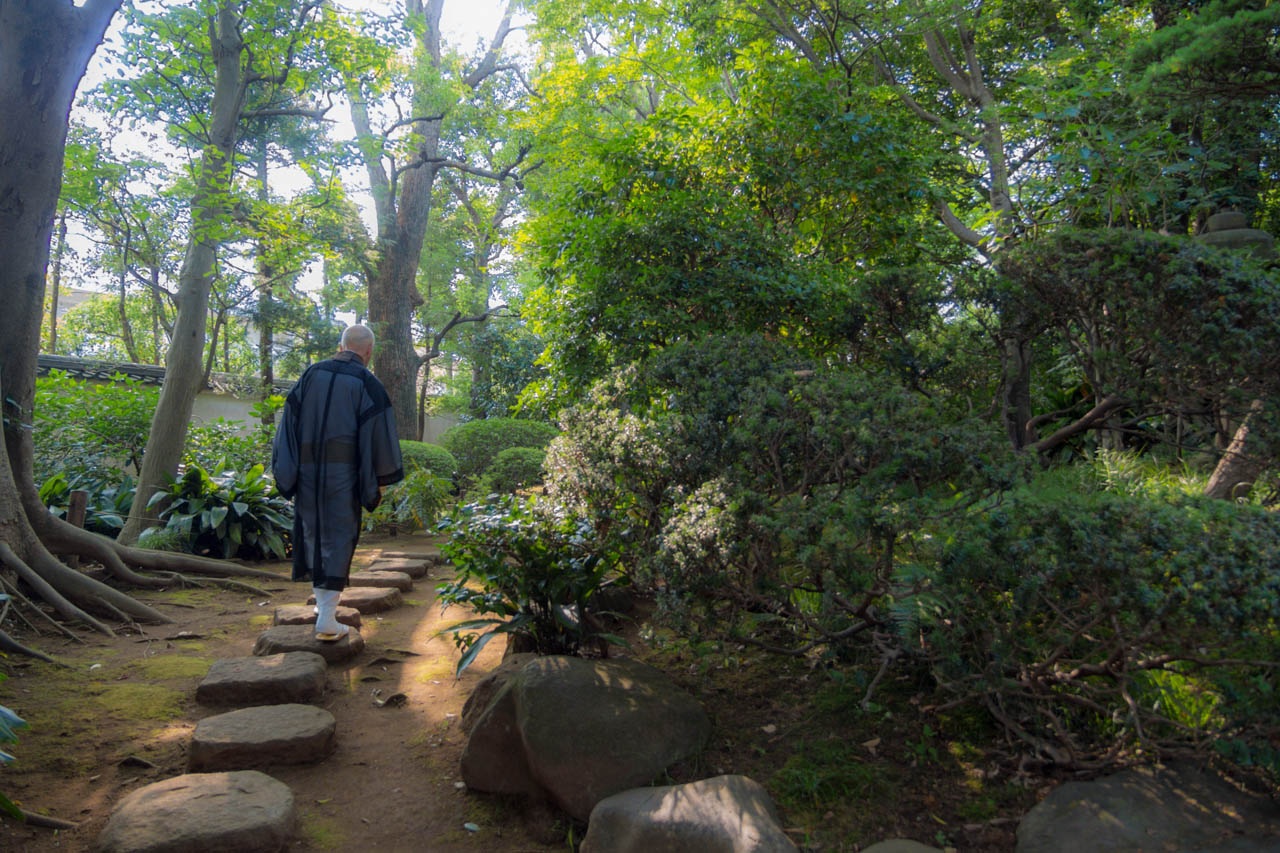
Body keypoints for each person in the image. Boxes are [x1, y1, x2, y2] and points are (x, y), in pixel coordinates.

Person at [272, 324, 404, 640]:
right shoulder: (368, 383)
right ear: (369, 351)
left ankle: (323, 608)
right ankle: (327, 620)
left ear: (341, 346)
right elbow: (379, 436)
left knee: (312, 534)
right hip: (343, 475)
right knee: (339, 538)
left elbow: (288, 424)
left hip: (307, 473)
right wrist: (376, 481)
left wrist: (289, 470)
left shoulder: (310, 375)